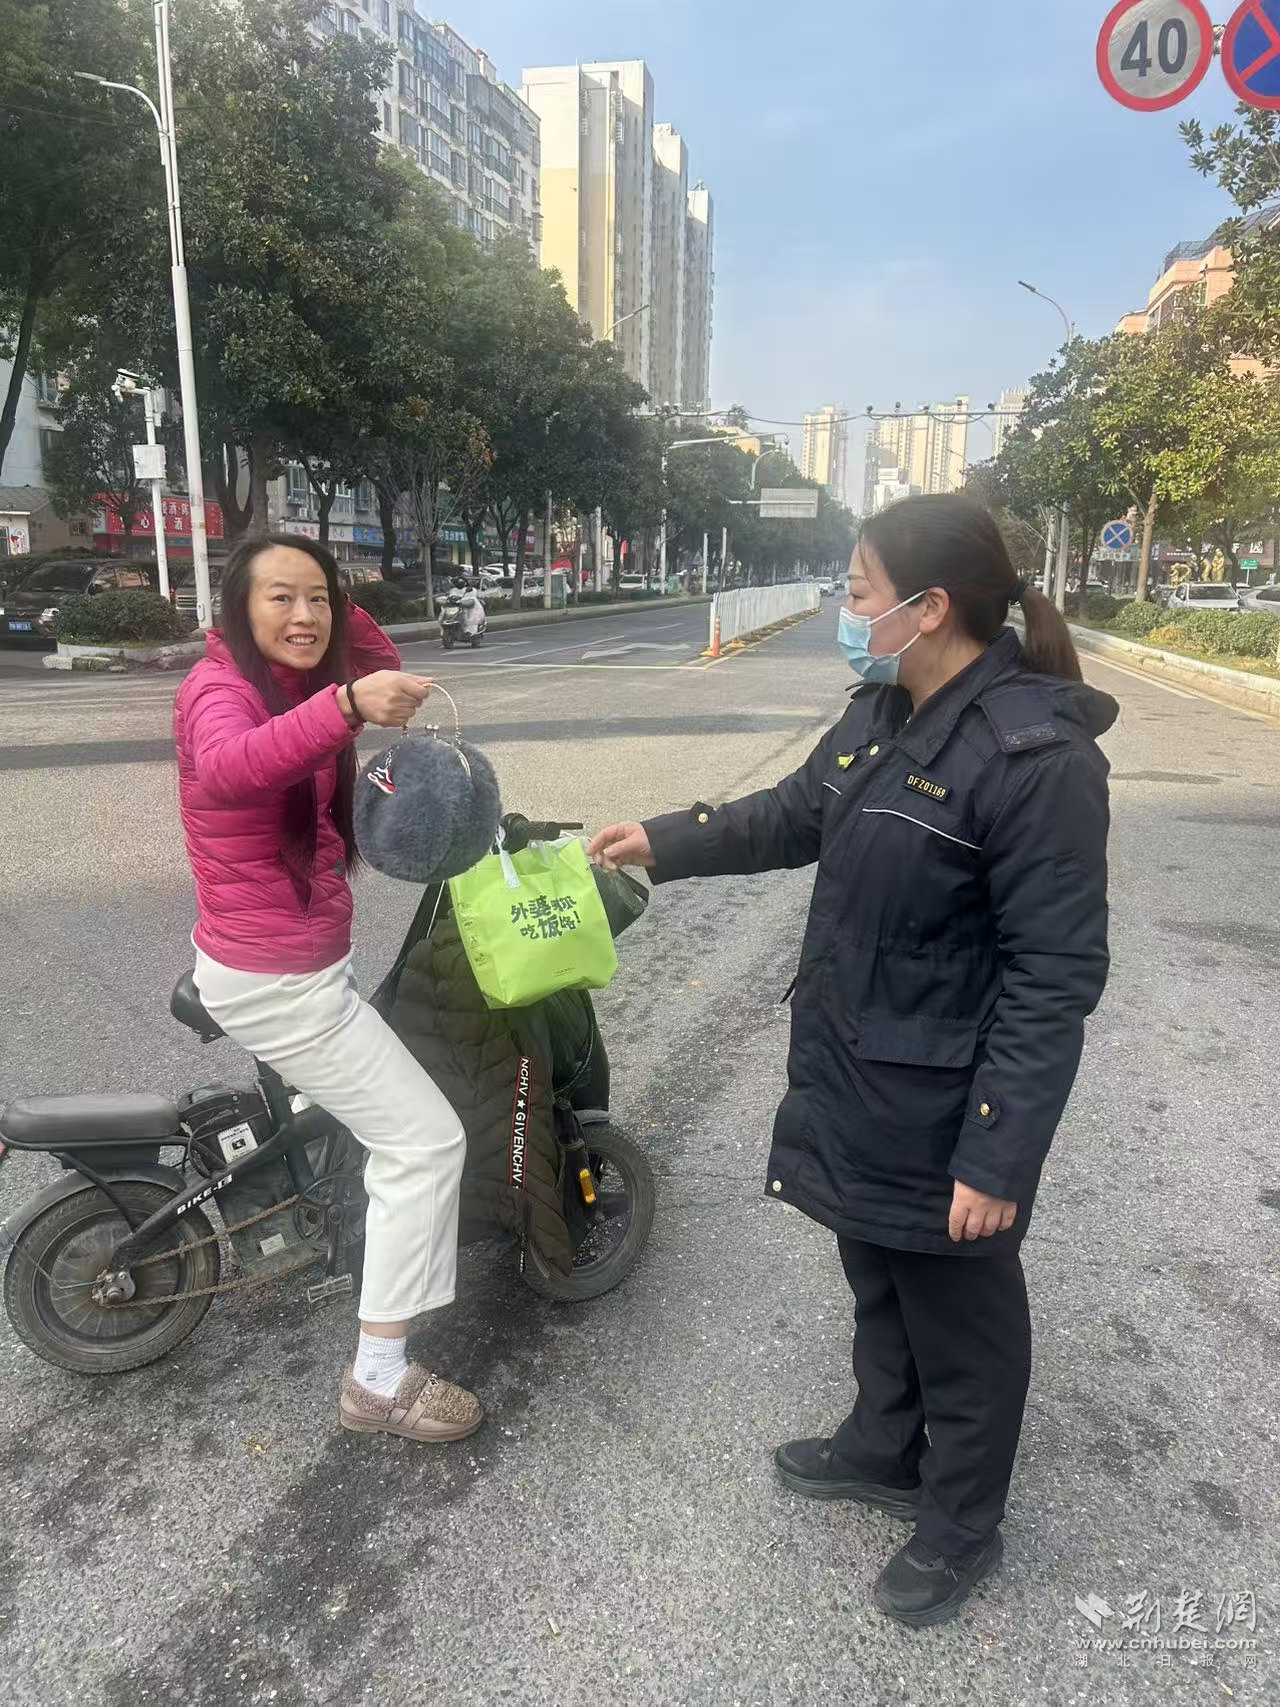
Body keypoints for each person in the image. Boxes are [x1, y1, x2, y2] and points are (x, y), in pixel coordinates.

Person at [590, 494, 1116, 1627]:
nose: (846, 605)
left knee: (960, 1318)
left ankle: (961, 1521)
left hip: (948, 1103)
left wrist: (996, 1156)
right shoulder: (882, 710)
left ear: (928, 608)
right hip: (863, 1068)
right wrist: (662, 842)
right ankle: (883, 1445)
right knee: (876, 1268)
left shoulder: (1033, 757)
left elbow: (1053, 974)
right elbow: (794, 814)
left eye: (859, 588)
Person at [174, 532, 481, 1444]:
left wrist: (329, 607)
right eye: (280, 598)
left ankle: (334, 1221)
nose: (304, 616)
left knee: (366, 1112)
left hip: (294, 958)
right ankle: (378, 1379)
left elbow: (379, 661)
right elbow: (232, 764)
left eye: (318, 598)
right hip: (279, 982)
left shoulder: (293, 673)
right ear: (238, 606)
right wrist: (345, 702)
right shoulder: (220, 688)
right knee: (425, 1143)